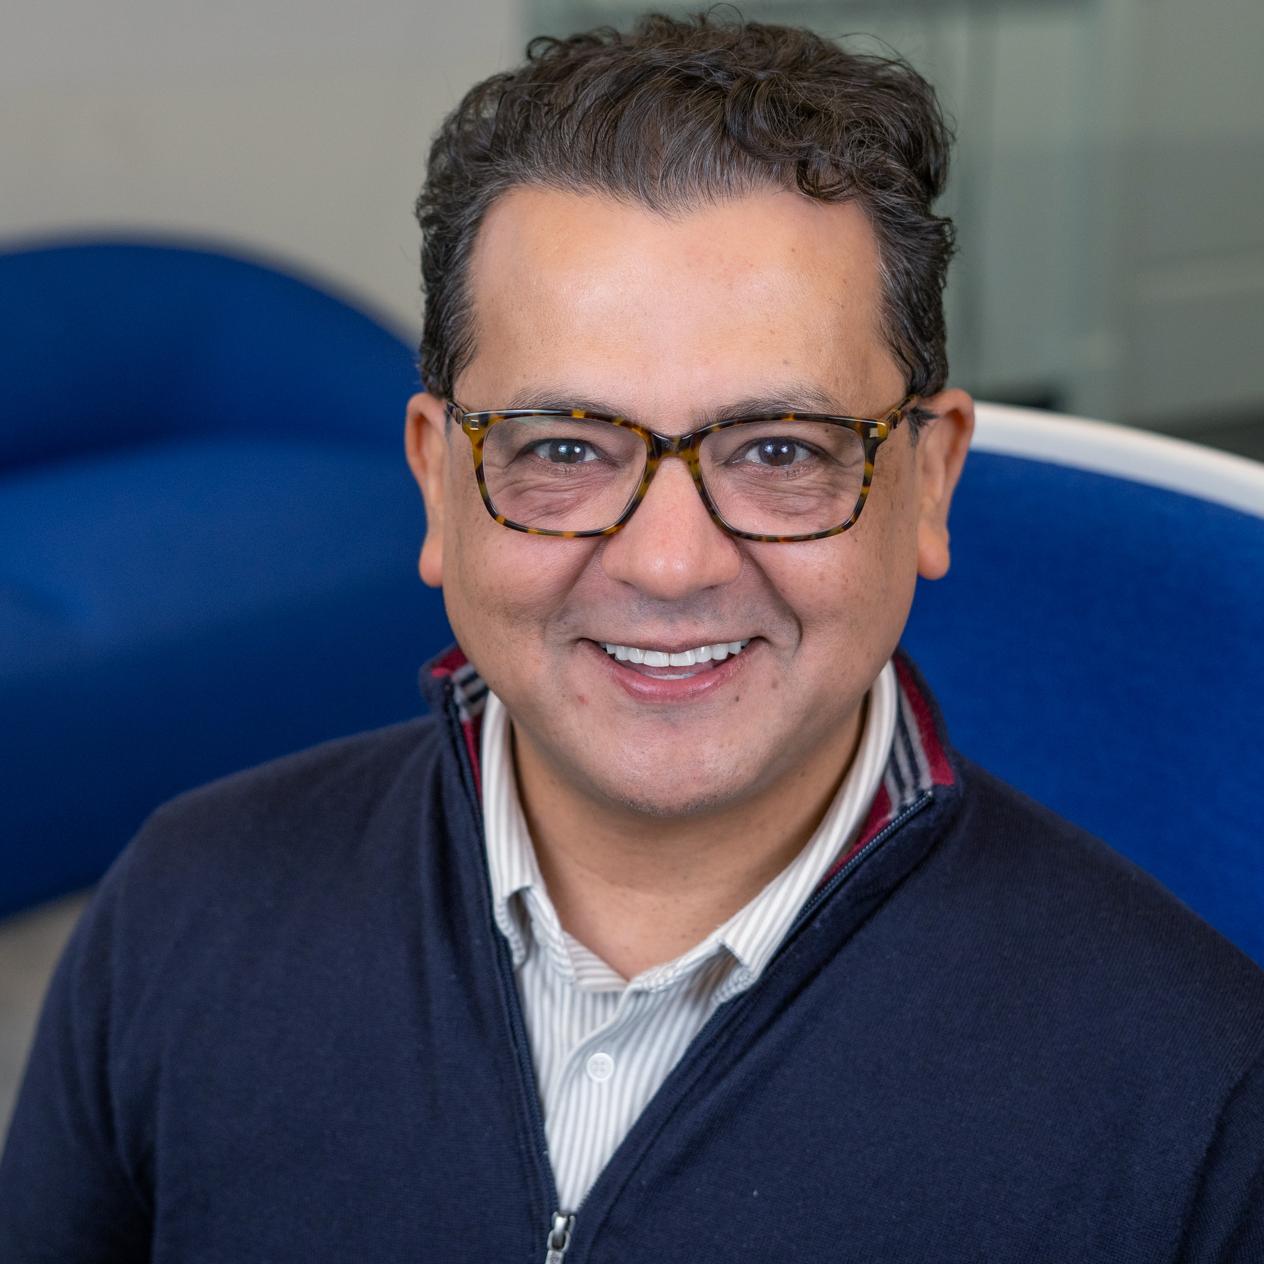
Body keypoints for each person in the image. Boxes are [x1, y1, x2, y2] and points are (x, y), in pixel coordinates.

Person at [2, 13, 1262, 1261]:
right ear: (440, 483)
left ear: (928, 483)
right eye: (563, 449)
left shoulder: (1199, 1093)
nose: (669, 563)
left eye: (778, 451)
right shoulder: (182, 909)